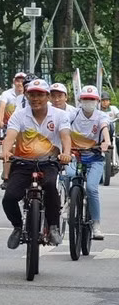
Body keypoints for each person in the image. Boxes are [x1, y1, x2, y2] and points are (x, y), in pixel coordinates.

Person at [1, 79, 72, 249]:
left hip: (49, 163)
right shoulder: (19, 114)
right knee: (9, 198)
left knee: (50, 187)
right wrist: (5, 151)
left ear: (47, 96)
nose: (36, 98)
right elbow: (10, 136)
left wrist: (66, 154)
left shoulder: (60, 115)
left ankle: (53, 226)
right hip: (23, 163)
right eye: (32, 94)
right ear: (26, 95)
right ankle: (18, 227)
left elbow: (65, 136)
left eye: (40, 94)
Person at [62, 85, 110, 240]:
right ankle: (70, 202)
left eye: (92, 99)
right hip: (75, 156)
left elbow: (104, 128)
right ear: (79, 100)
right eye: (85, 99)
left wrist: (106, 142)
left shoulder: (101, 115)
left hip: (95, 157)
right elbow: (63, 128)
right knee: (68, 175)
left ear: (97, 101)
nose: (88, 102)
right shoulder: (73, 114)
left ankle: (96, 224)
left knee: (91, 188)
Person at [0, 72, 27, 189]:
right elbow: (1, 109)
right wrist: (0, 121)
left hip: (26, 129)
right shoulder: (6, 94)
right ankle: (6, 177)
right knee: (8, 147)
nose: (20, 83)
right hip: (11, 126)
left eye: (22, 81)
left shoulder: (30, 95)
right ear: (14, 82)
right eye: (17, 81)